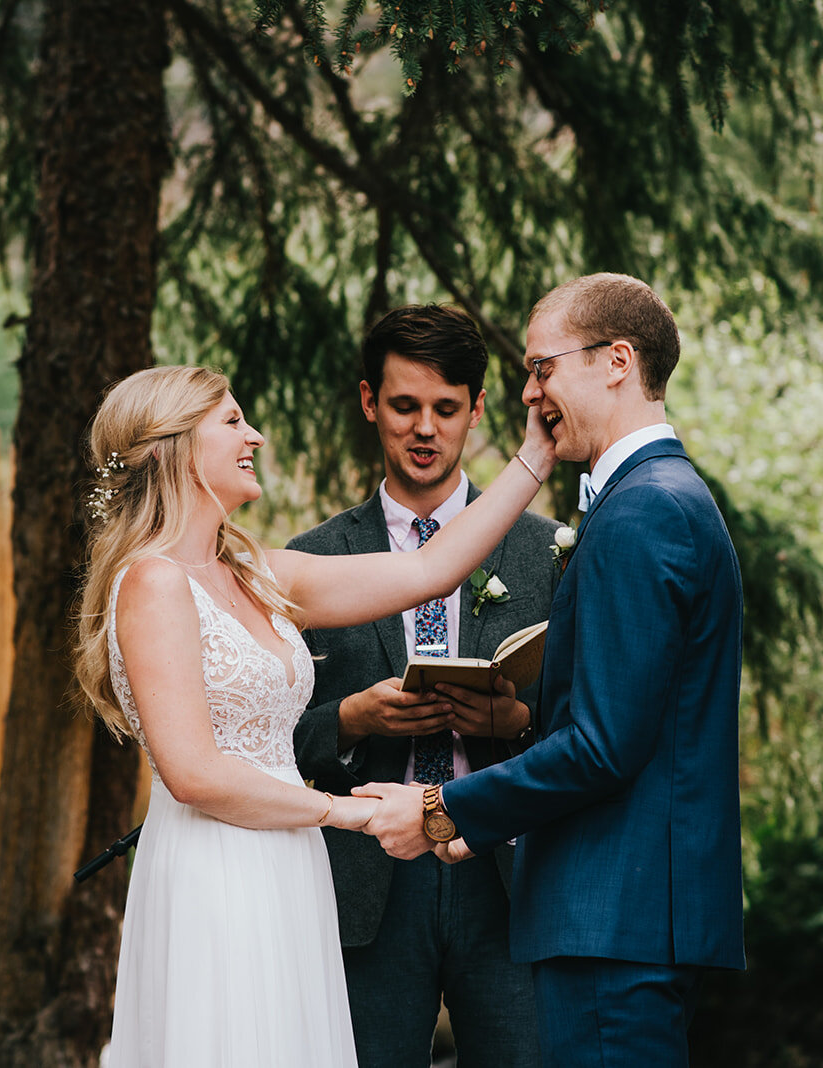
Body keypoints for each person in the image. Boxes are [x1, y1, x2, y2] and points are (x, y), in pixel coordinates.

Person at [72, 364, 555, 1067]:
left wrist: (534, 457)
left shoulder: (259, 573)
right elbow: (196, 774)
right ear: (168, 448)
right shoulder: (151, 582)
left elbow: (431, 570)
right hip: (218, 868)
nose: (255, 436)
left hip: (290, 865)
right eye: (232, 421)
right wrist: (346, 812)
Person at [361, 273, 746, 1068]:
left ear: (615, 361)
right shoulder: (647, 500)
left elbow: (602, 747)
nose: (531, 393)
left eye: (543, 367)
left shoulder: (644, 512)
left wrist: (443, 809)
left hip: (615, 921)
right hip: (619, 917)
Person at [290, 305, 556, 1067]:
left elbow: (586, 725)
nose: (425, 429)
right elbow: (272, 734)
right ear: (370, 402)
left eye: (446, 409)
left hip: (504, 874)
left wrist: (517, 718)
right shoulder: (316, 559)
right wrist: (350, 717)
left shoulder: (546, 552)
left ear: (476, 410)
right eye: (405, 406)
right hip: (369, 882)